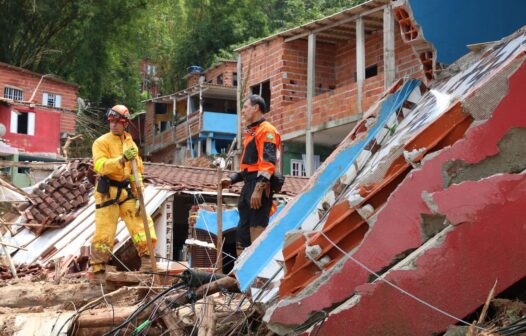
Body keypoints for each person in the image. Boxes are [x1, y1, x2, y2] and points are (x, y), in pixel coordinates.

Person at [89, 104, 156, 282]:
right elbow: (100, 165)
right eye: (111, 121)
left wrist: (139, 194)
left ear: (125, 123)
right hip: (107, 191)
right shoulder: (101, 142)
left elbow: (136, 171)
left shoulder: (129, 142)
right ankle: (98, 268)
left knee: (141, 223)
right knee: (105, 229)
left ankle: (148, 262)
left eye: (118, 122)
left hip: (126, 190)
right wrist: (122, 159)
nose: (114, 125)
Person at [220, 95, 281, 256]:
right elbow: (250, 167)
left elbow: (268, 162)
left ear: (256, 108)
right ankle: (240, 272)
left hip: (259, 185)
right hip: (248, 185)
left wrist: (259, 189)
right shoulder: (252, 132)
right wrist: (232, 179)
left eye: (246, 107)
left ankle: (256, 271)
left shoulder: (267, 130)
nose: (243, 111)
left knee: (256, 227)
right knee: (243, 230)